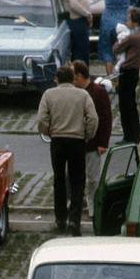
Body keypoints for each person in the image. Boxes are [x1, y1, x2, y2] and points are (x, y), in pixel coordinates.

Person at [37, 65, 99, 235]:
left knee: (59, 180)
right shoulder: (83, 95)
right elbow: (93, 118)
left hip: (57, 140)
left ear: (57, 79)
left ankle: (60, 218)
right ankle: (75, 220)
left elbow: (42, 119)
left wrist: (48, 131)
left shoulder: (49, 95)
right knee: (78, 181)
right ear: (72, 78)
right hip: (77, 141)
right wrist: (87, 134)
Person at [72, 60, 112, 217]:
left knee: (93, 179)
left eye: (74, 77)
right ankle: (79, 204)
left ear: (80, 76)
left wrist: (103, 142)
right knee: (75, 176)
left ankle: (94, 209)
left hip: (93, 144)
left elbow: (106, 118)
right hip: (76, 142)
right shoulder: (75, 91)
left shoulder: (98, 92)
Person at [112, 7, 140, 144]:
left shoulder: (133, 37)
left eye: (129, 19)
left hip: (127, 71)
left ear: (134, 22)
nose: (127, 22)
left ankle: (128, 135)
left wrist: (119, 40)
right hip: (135, 71)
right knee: (131, 104)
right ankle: (135, 133)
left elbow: (116, 48)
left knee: (125, 105)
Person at [99, 0, 137, 77]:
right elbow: (135, 0)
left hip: (107, 20)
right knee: (123, 50)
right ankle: (121, 76)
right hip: (123, 21)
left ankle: (110, 78)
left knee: (107, 51)